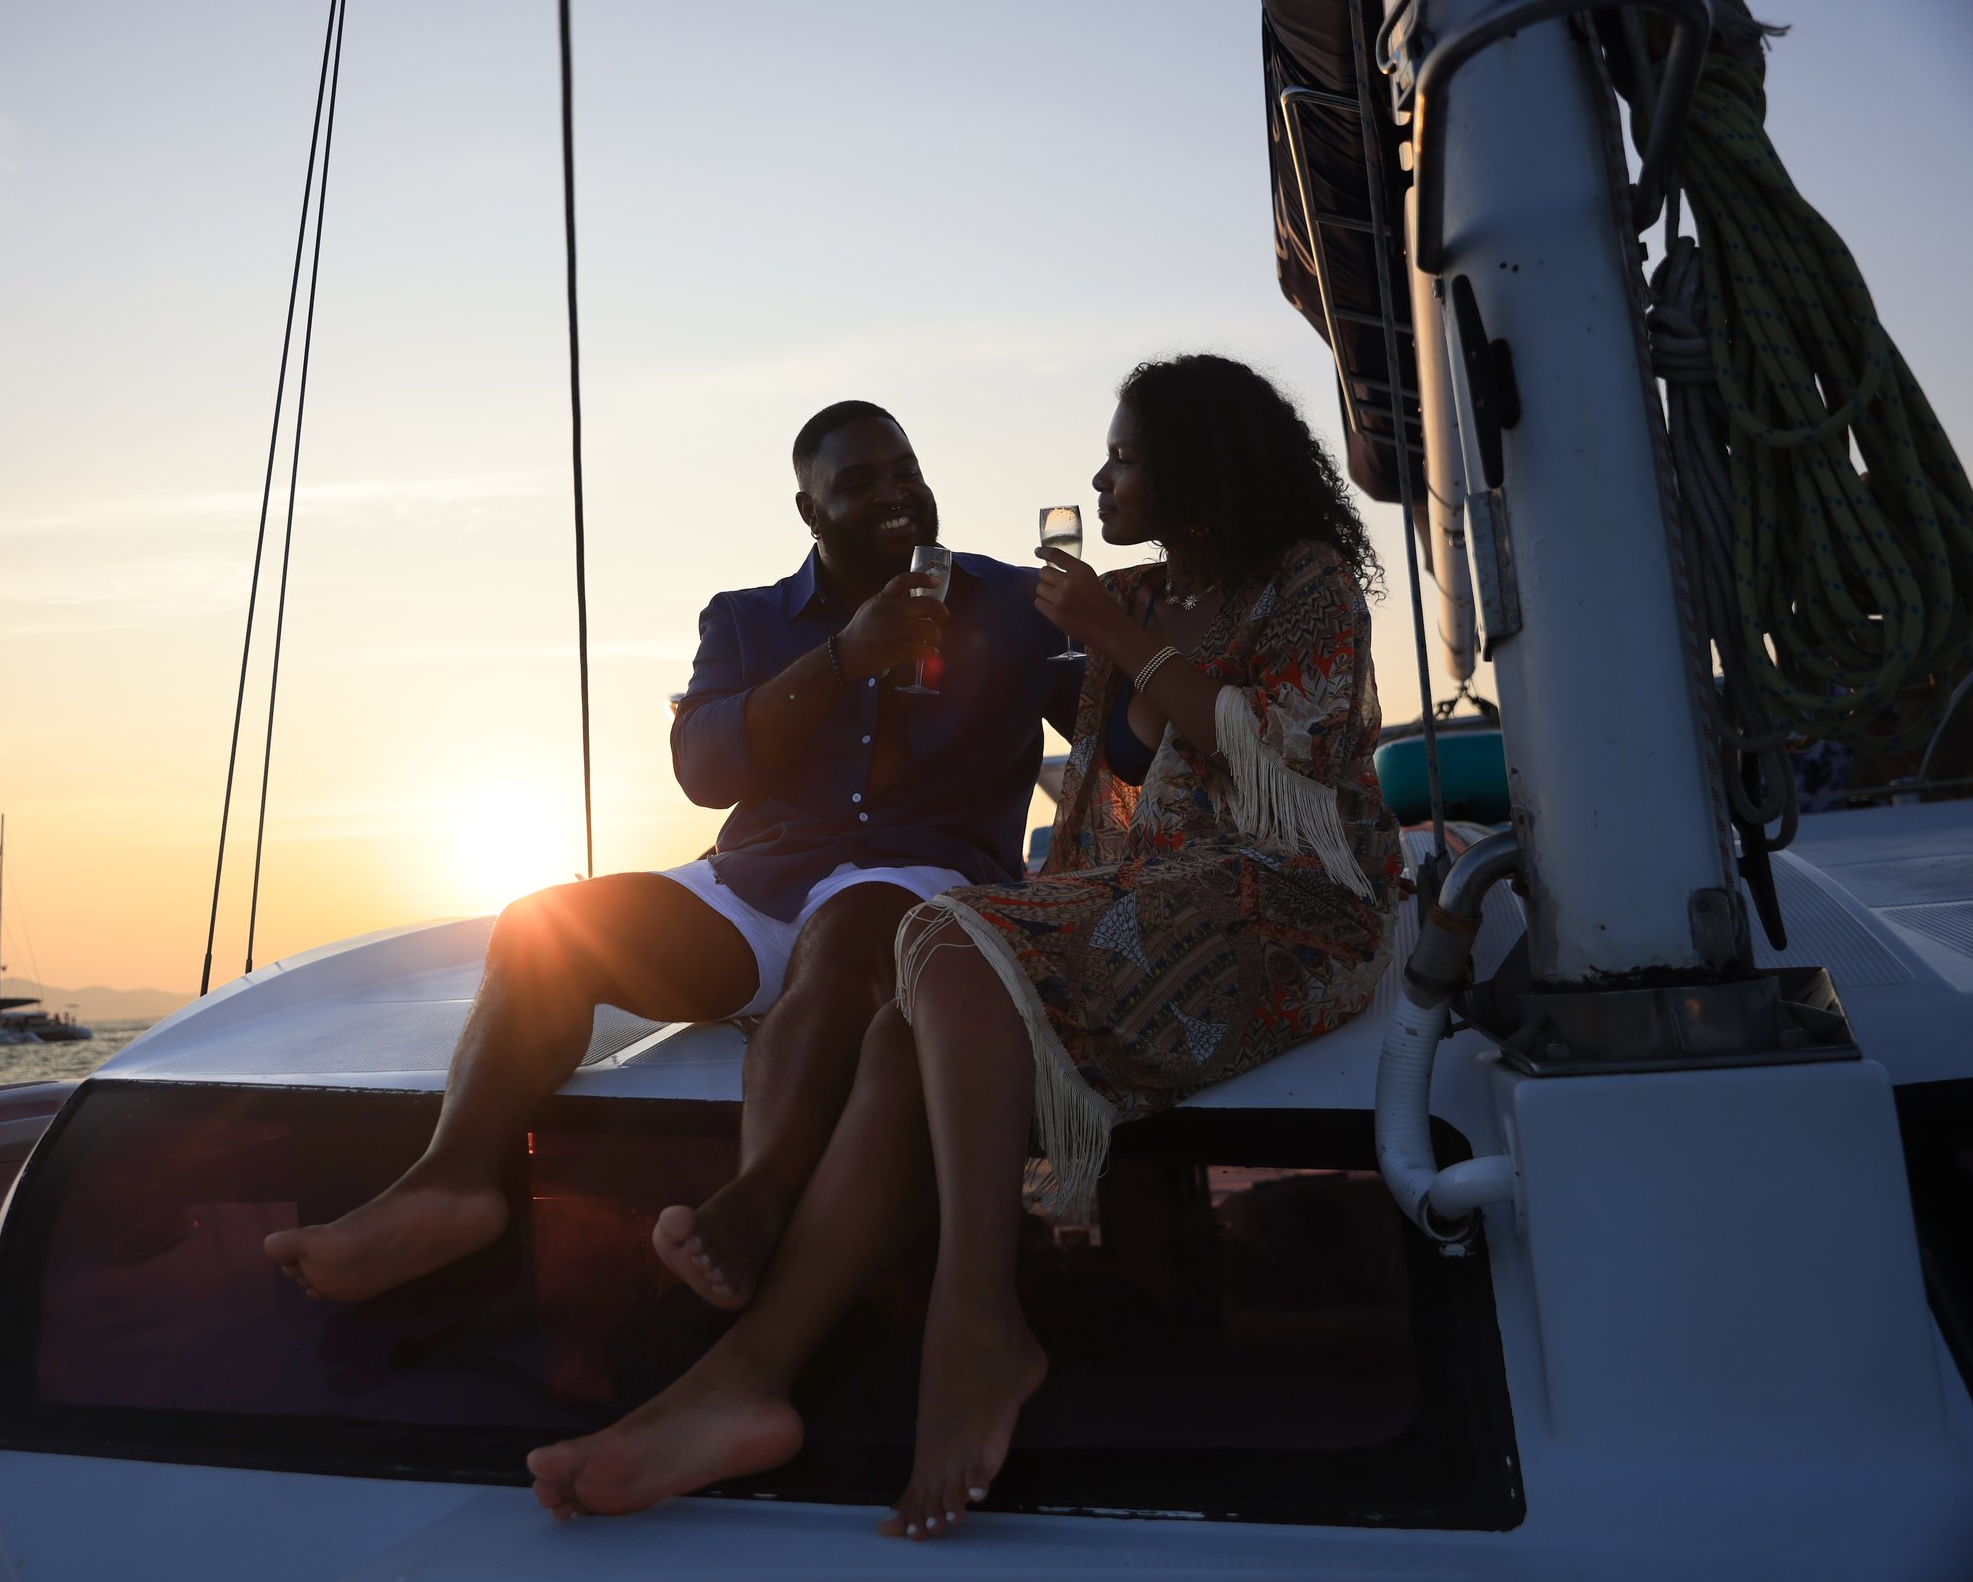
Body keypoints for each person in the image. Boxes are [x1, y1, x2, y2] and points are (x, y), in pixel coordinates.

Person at [524, 354, 1403, 1537]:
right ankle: (747, 1378)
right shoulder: (1143, 594)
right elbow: (1126, 761)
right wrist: (1102, 638)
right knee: (904, 1023)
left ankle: (975, 1315)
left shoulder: (1302, 587)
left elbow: (1287, 771)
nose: (1099, 479)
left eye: (1124, 459)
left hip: (1291, 906)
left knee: (937, 931)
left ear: (1198, 471)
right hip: (1150, 901)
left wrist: (1111, 639)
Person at [265, 400, 1074, 1305]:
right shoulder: (746, 620)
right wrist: (842, 658)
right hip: (758, 880)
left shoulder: (1016, 605)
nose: (896, 494)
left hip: (924, 880)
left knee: (848, 936)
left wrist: (1137, 631)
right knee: (545, 924)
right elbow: (704, 769)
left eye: (905, 472)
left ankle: (758, 1207)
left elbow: (1119, 737)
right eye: (859, 482)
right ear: (808, 510)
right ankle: (452, 1184)